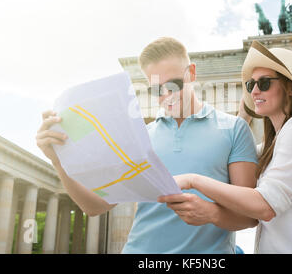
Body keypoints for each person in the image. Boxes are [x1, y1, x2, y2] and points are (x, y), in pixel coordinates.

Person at [36, 37, 259, 253]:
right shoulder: (139, 138)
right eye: (157, 90)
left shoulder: (234, 130)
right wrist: (57, 160)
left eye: (173, 85)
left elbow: (250, 216)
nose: (167, 95)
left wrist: (212, 213)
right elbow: (95, 207)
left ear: (191, 73)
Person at [159, 40, 292, 254]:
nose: (255, 90)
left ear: (290, 89)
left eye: (264, 83)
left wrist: (193, 180)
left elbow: (265, 206)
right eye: (251, 85)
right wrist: (242, 118)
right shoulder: (272, 145)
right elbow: (229, 155)